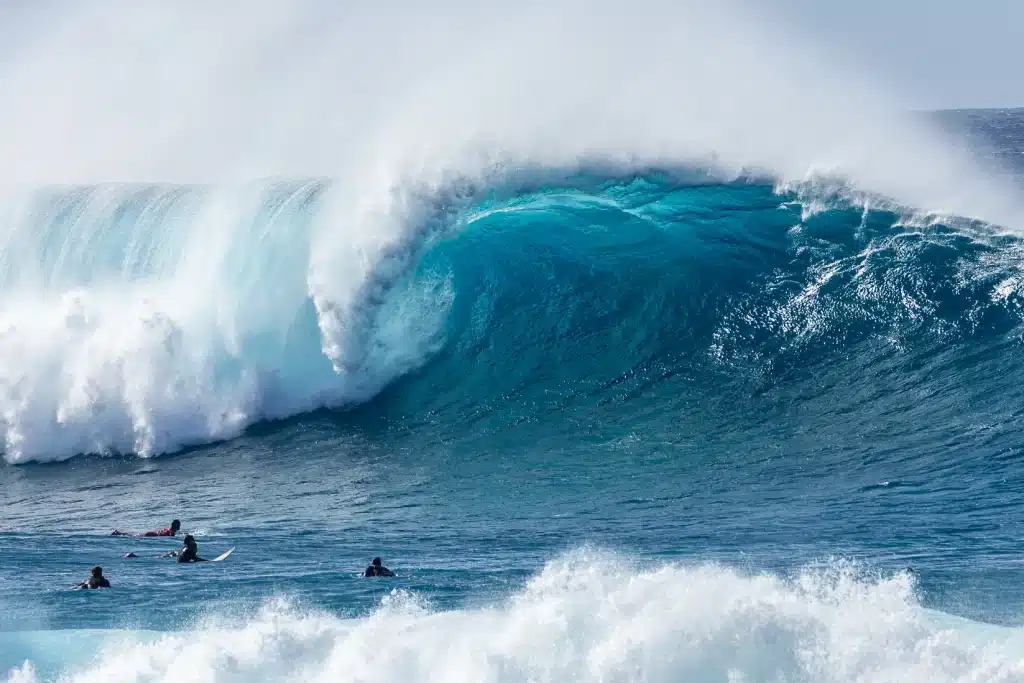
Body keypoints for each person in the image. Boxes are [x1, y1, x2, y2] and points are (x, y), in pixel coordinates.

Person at [111, 519, 181, 537]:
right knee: (133, 536)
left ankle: (118, 533)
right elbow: (171, 537)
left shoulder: (167, 529)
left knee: (133, 535)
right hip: (152, 535)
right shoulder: (172, 531)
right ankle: (118, 533)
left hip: (151, 533)